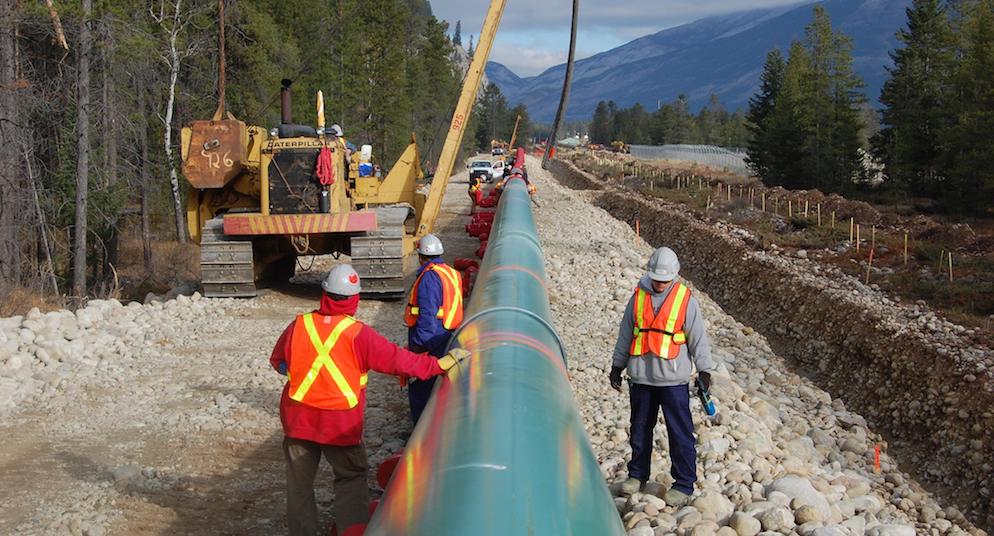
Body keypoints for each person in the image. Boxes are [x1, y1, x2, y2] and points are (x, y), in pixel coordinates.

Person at [270, 264, 470, 536]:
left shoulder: (299, 325)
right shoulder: (358, 335)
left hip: (298, 421)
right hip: (340, 425)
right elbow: (400, 361)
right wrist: (438, 365)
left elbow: (279, 362)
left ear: (324, 293)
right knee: (350, 478)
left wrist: (299, 371)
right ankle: (351, 530)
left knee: (299, 485)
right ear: (354, 300)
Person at [610, 247, 714, 506]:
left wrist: (705, 370)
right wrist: (617, 366)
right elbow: (626, 334)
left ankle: (684, 483)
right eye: (656, 279)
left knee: (680, 434)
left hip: (673, 382)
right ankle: (637, 475)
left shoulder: (685, 299)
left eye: (664, 280)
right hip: (641, 379)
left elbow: (697, 338)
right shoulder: (637, 298)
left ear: (674, 276)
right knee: (640, 430)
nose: (660, 284)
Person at [404, 234, 465, 425]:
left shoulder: (429, 277)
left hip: (430, 339)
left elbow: (427, 315)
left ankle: (420, 432)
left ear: (421, 256)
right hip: (447, 334)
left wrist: (417, 347)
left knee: (421, 387)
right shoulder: (450, 272)